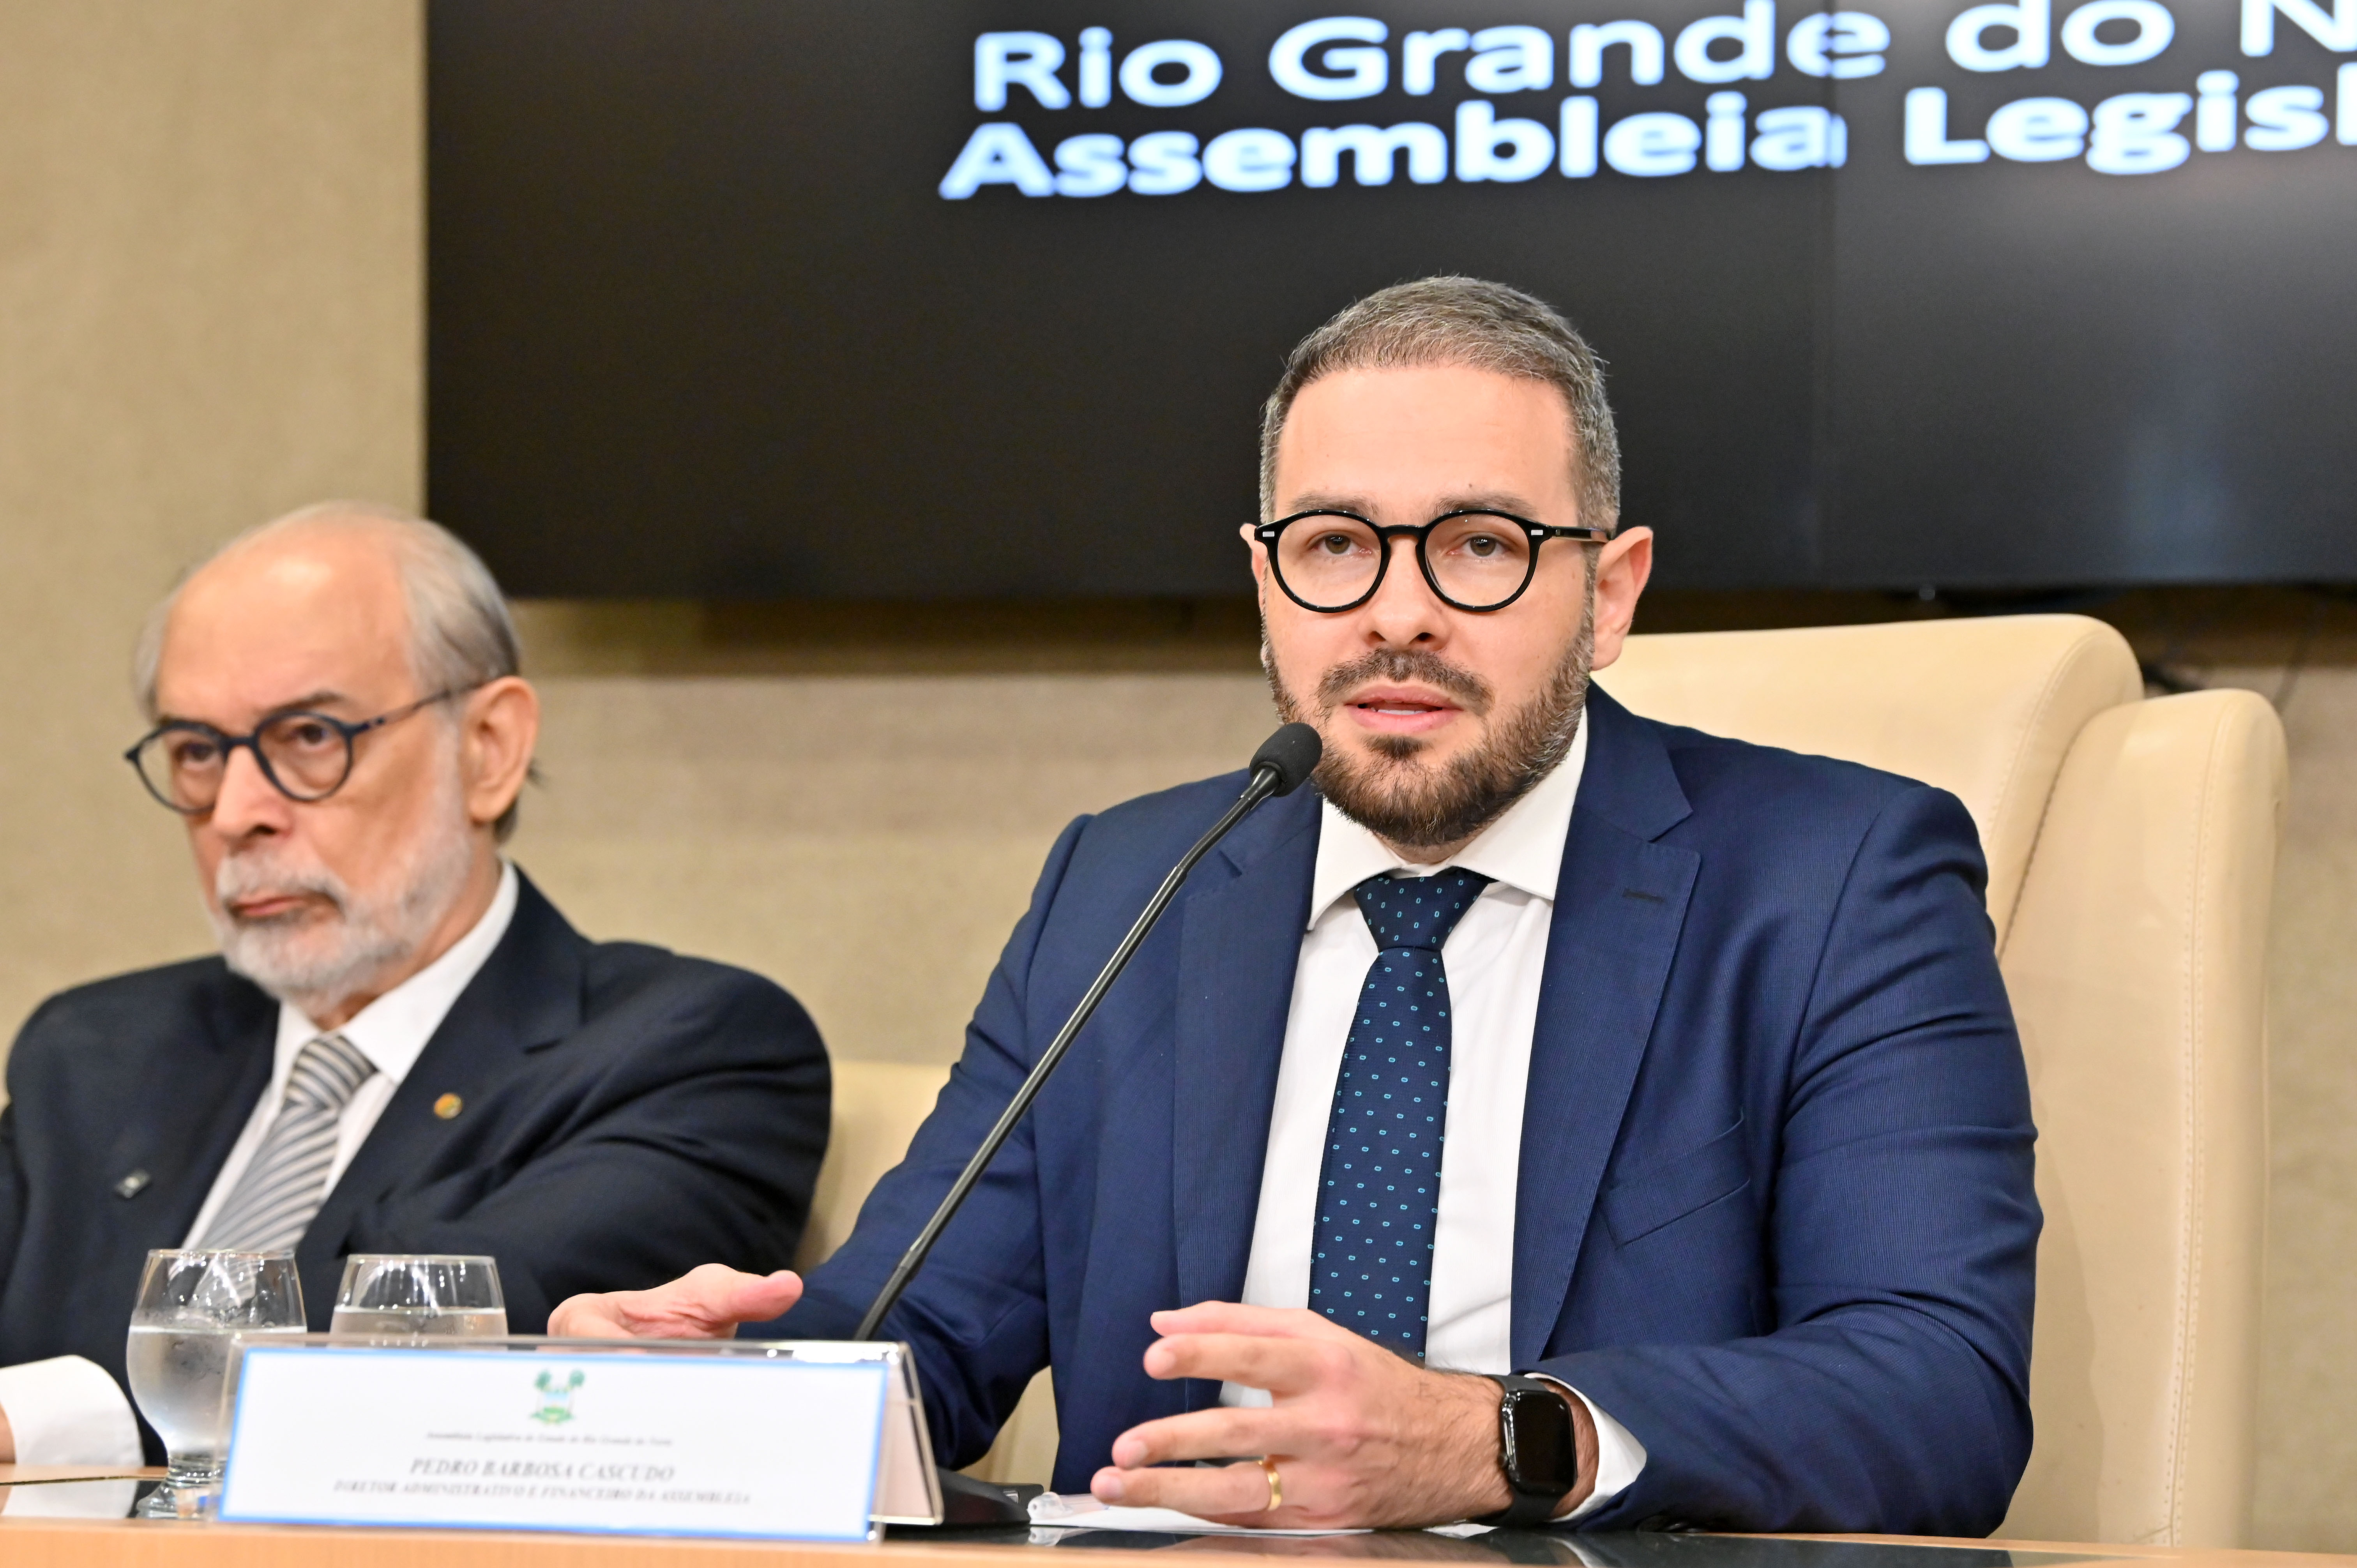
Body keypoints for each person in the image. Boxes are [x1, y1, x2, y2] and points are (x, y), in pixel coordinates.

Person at [551, 279, 2039, 1534]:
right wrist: (683, 1396)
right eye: (1332, 544)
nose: (1395, 612)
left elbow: (1936, 1390)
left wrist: (1490, 1439)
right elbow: (913, 1339)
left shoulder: (1832, 878)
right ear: (1264, 585)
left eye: (1479, 543)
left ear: (1608, 592)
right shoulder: (1125, 884)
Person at [0, 503, 830, 1467]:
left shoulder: (692, 1048)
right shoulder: (95, 1051)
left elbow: (421, 1353)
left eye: (308, 735)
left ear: (489, 748)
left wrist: (39, 1414)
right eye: (196, 749)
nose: (235, 811)